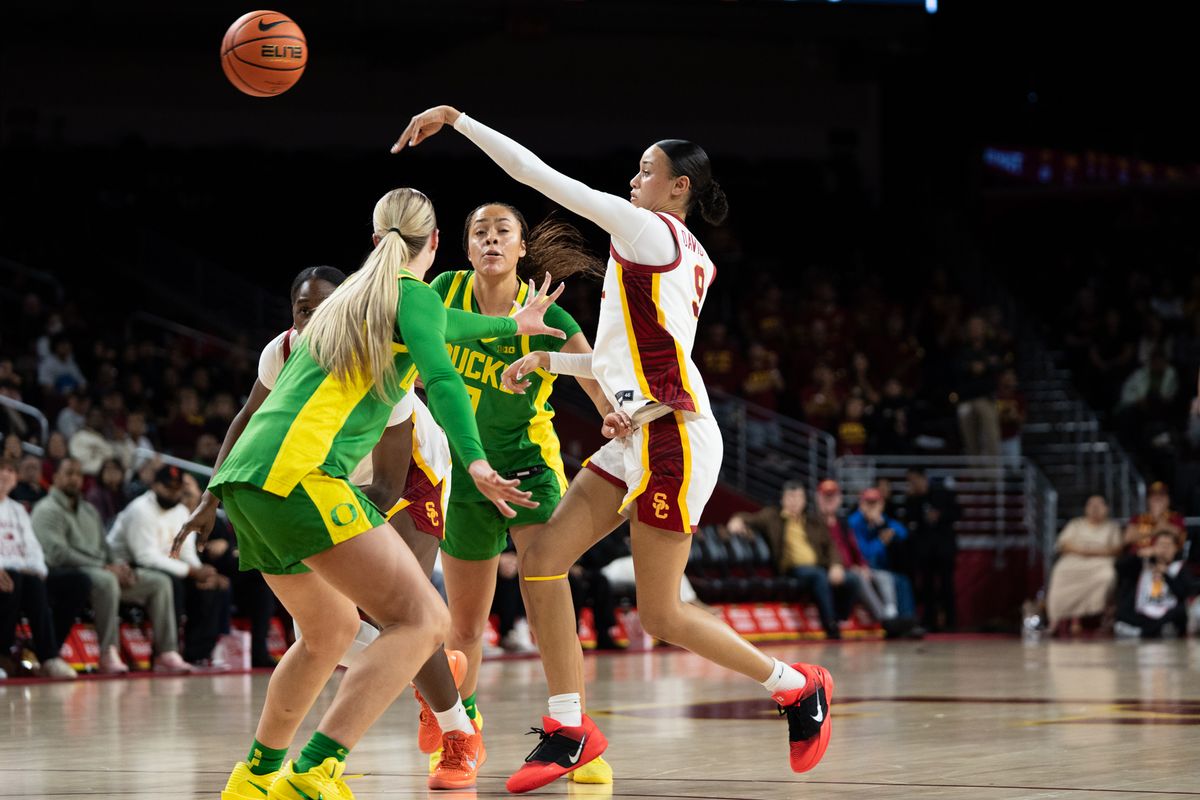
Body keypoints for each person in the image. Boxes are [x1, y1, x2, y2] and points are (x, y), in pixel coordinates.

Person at [395, 107, 833, 790]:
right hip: (640, 432)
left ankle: (796, 685)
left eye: (646, 170)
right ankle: (569, 726)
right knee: (540, 558)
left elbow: (536, 176)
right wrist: (547, 365)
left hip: (674, 438)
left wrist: (461, 122)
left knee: (660, 613)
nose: (633, 180)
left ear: (678, 187)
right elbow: (624, 358)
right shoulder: (693, 258)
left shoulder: (650, 229)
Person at [174, 188, 563, 800]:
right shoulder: (410, 296)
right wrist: (479, 460)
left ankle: (255, 776)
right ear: (435, 243)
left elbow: (450, 326)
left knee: (326, 633)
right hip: (302, 476)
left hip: (245, 482)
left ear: (377, 240)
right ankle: (316, 769)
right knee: (424, 619)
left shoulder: (352, 294)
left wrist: (509, 324)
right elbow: (441, 377)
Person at [424, 202, 615, 785]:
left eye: (502, 231)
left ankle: (577, 733)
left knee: (544, 595)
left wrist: (609, 413)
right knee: (464, 625)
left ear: (521, 248)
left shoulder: (546, 311)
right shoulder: (441, 293)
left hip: (529, 469)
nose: (489, 239)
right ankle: (461, 737)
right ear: (465, 247)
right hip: (462, 475)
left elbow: (589, 368)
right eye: (478, 231)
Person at [31, 458, 186, 674]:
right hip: (70, 573)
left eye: (78, 474)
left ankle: (166, 653)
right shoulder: (46, 509)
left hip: (102, 569)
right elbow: (57, 554)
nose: (74, 479)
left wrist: (120, 566)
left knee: (159, 582)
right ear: (55, 477)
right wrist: (105, 567)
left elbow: (106, 548)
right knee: (107, 580)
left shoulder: (89, 510)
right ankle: (108, 653)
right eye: (68, 473)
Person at [109, 466, 231, 665]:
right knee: (171, 584)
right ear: (155, 485)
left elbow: (187, 552)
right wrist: (192, 571)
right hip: (129, 567)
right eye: (168, 488)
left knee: (211, 587)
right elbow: (145, 557)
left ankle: (197, 654)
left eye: (177, 488)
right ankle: (165, 651)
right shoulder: (140, 509)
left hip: (168, 567)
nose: (173, 493)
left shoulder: (181, 511)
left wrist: (202, 573)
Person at [729, 482, 846, 639]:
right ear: (782, 499)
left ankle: (840, 616)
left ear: (804, 500)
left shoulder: (812, 520)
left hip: (819, 567)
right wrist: (736, 519)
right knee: (818, 575)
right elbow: (748, 517)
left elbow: (831, 545)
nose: (794, 501)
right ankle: (830, 626)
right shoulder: (772, 516)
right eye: (790, 497)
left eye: (798, 497)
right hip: (792, 569)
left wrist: (836, 565)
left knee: (853, 579)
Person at [0, 457, 80, 678]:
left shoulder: (17, 509)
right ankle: (2, 654)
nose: (5, 474)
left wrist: (37, 569)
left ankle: (47, 656)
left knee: (75, 581)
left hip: (22, 574)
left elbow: (33, 548)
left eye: (9, 470)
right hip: (8, 574)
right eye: (1, 469)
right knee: (14, 579)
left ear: (16, 478)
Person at [1045, 496, 1123, 635]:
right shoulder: (1076, 524)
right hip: (1074, 560)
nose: (1095, 508)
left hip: (1100, 561)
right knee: (1060, 571)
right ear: (1086, 508)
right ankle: (1055, 621)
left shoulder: (1112, 527)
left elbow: (1116, 549)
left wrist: (1091, 552)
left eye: (1099, 505)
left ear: (1106, 509)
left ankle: (1098, 617)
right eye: (1091, 504)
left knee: (1108, 575)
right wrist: (1082, 551)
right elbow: (1063, 545)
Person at [903, 468, 960, 632]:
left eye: (914, 480)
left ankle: (951, 622)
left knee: (946, 585)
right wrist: (912, 499)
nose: (912, 484)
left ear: (923, 479)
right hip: (925, 552)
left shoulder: (943, 493)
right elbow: (909, 521)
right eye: (910, 482)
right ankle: (930, 622)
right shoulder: (913, 499)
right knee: (927, 586)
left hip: (944, 550)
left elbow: (958, 512)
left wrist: (940, 515)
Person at [848, 488, 914, 619]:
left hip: (883, 568)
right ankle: (890, 619)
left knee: (903, 580)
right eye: (868, 503)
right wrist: (881, 541)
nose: (872, 507)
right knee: (887, 578)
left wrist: (882, 524)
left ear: (881, 504)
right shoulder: (854, 522)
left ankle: (907, 620)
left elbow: (903, 533)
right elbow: (864, 553)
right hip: (864, 568)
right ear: (861, 504)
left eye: (875, 503)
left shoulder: (884, 520)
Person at [1114, 530, 1190, 639]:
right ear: (1153, 547)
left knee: (1180, 612)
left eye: (1168, 545)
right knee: (1122, 612)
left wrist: (1166, 575)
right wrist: (1138, 555)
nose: (1164, 549)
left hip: (1166, 612)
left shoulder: (1180, 567)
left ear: (1175, 549)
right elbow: (1119, 568)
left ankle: (1144, 632)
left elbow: (1183, 593)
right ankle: (1151, 631)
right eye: (1161, 545)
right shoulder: (1142, 564)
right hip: (1143, 610)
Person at [1123, 482, 1186, 553]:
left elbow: (1181, 538)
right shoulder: (1138, 518)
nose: (1157, 498)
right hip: (1137, 559)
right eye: (1153, 495)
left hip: (1163, 560)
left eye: (1162, 495)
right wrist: (1156, 530)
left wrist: (1165, 525)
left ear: (1168, 500)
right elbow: (1126, 539)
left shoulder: (1175, 517)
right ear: (1148, 500)